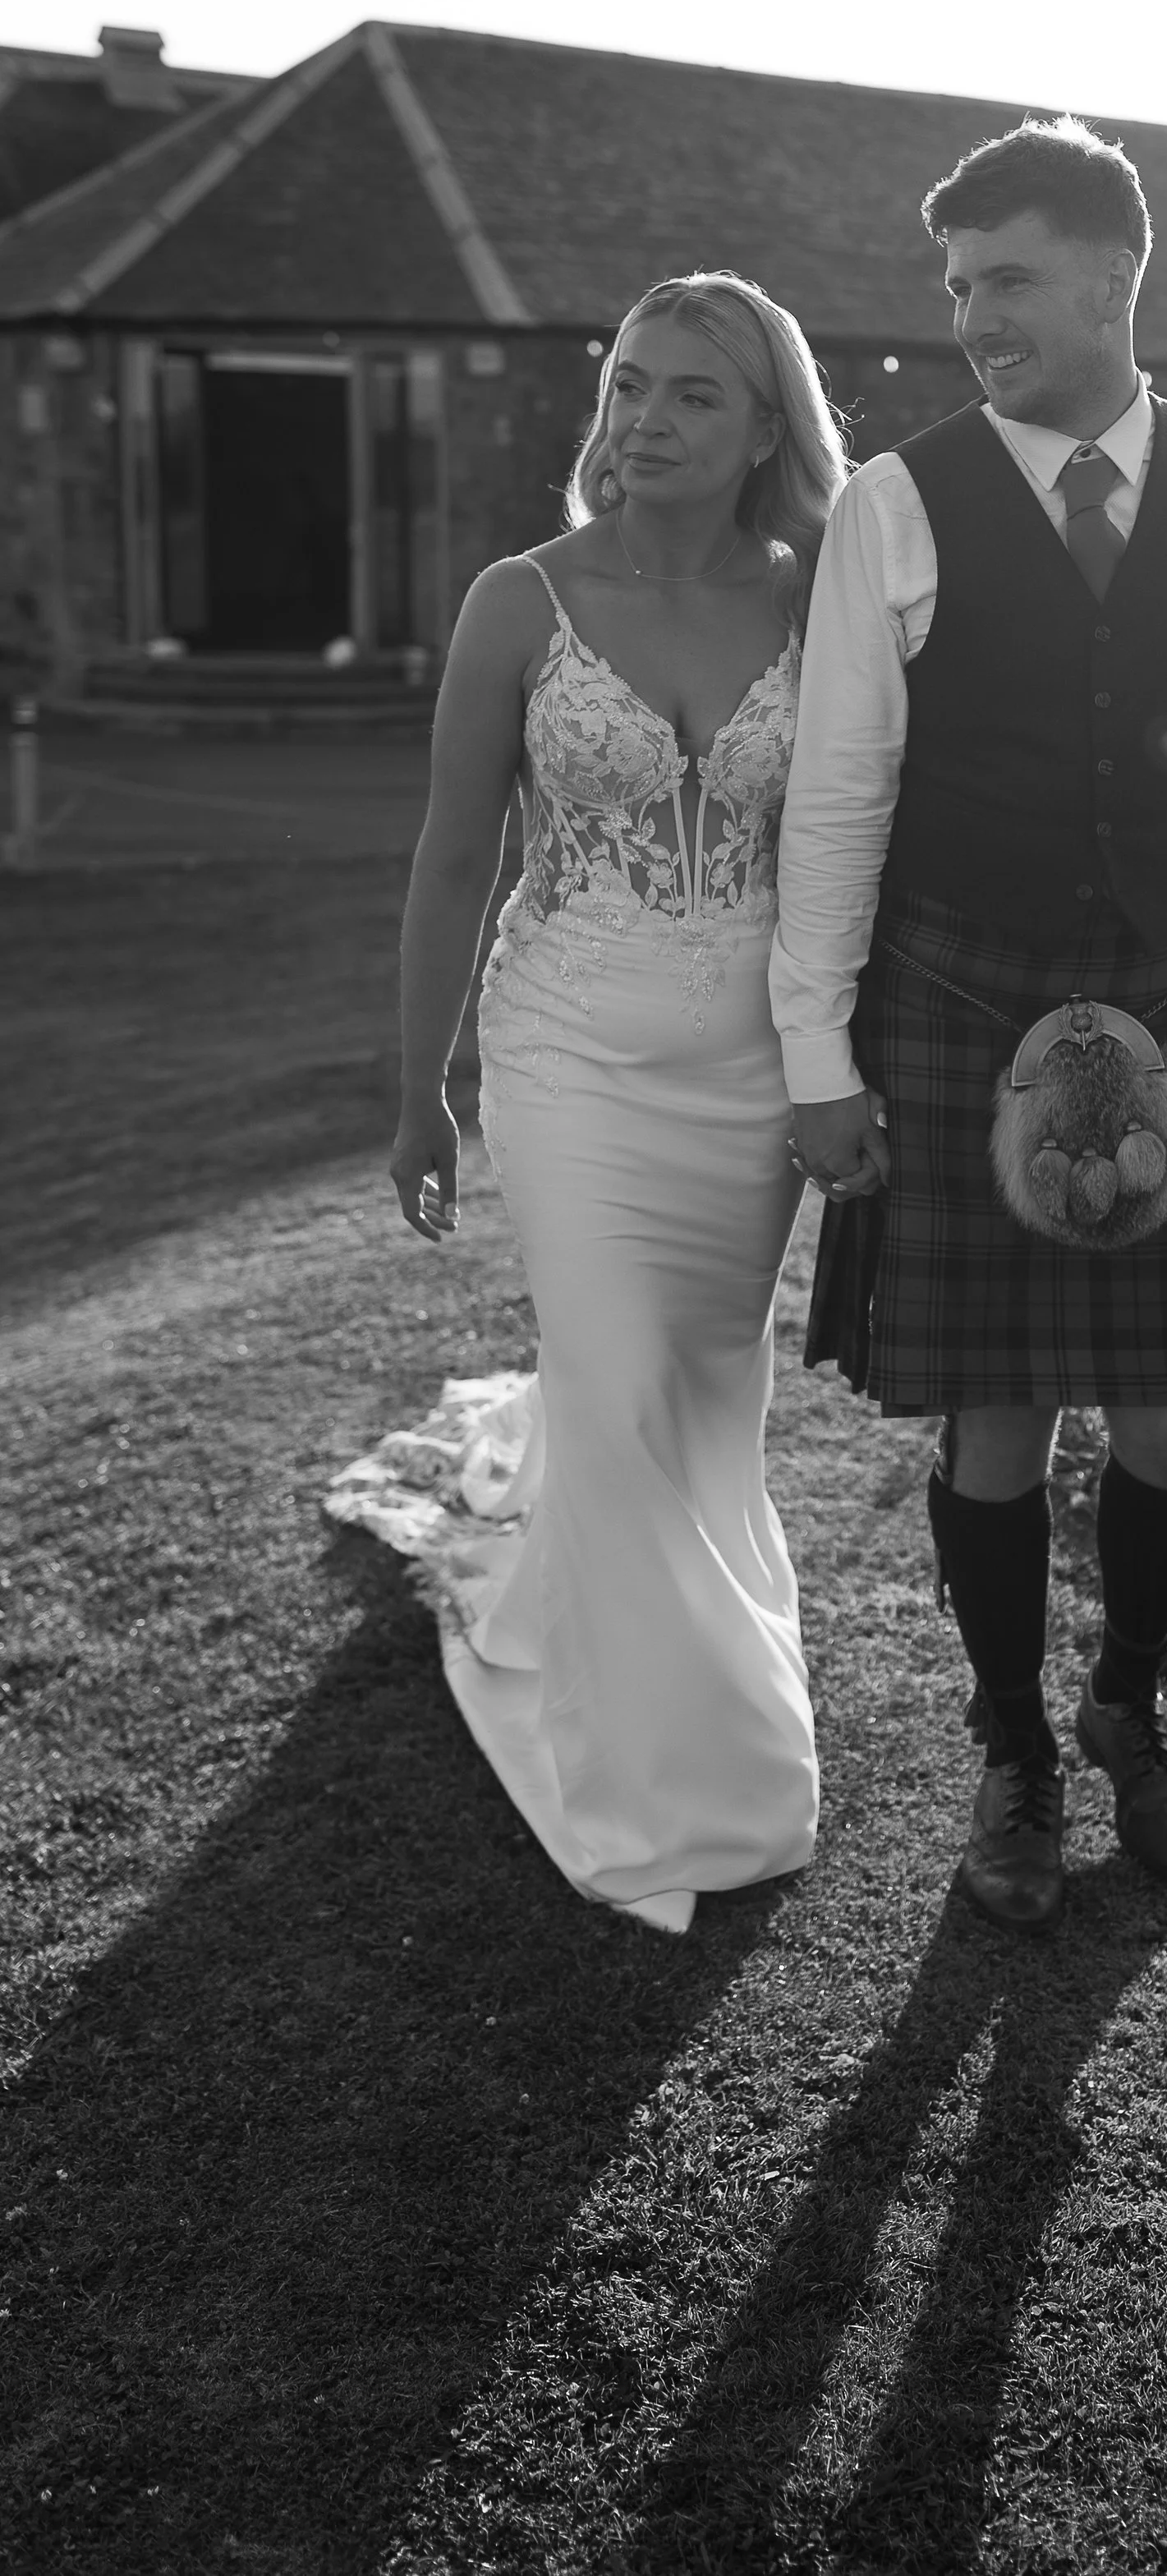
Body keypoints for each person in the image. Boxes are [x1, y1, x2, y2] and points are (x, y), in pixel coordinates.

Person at [770, 118, 1167, 1932]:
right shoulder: (897, 499)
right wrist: (820, 1057)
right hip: (957, 990)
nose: (974, 319)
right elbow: (834, 793)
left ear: (1114, 280)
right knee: (993, 1422)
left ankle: (1128, 1698)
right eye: (958, 287)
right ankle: (1013, 1753)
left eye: (1009, 281)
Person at [384, 273, 857, 1934]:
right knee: (614, 1378)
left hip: (747, 1079)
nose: (643, 421)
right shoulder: (521, 600)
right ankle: (675, 1776)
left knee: (706, 1395)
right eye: (628, 386)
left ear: (761, 434)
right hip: (563, 1054)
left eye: (691, 398)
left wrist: (835, 1070)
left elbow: (847, 850)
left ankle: (689, 1698)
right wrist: (418, 1086)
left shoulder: (824, 602)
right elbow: (457, 854)